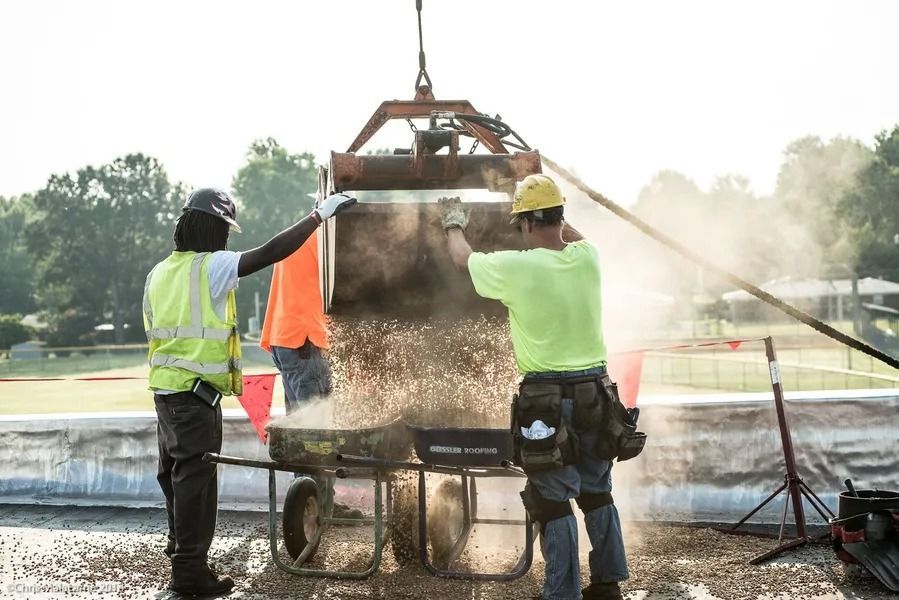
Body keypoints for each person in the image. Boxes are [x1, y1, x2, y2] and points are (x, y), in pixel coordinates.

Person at [142, 187, 355, 596]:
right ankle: (189, 573)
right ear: (211, 227)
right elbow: (270, 252)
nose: (227, 240)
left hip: (165, 395)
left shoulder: (158, 273)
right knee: (195, 485)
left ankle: (180, 553)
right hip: (196, 396)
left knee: (173, 478)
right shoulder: (212, 267)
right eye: (224, 230)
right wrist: (318, 216)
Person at [439, 174, 629, 600]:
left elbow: (462, 259)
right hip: (595, 394)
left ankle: (562, 594)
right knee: (597, 490)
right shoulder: (588, 257)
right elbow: (573, 236)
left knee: (553, 499)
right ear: (561, 216)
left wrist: (453, 222)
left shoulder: (516, 267)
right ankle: (608, 582)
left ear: (524, 225)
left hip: (546, 400)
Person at [259, 227, 331, 416]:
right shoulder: (326, 239)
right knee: (317, 428)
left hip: (283, 338)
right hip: (305, 339)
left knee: (297, 426)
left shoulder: (296, 236)